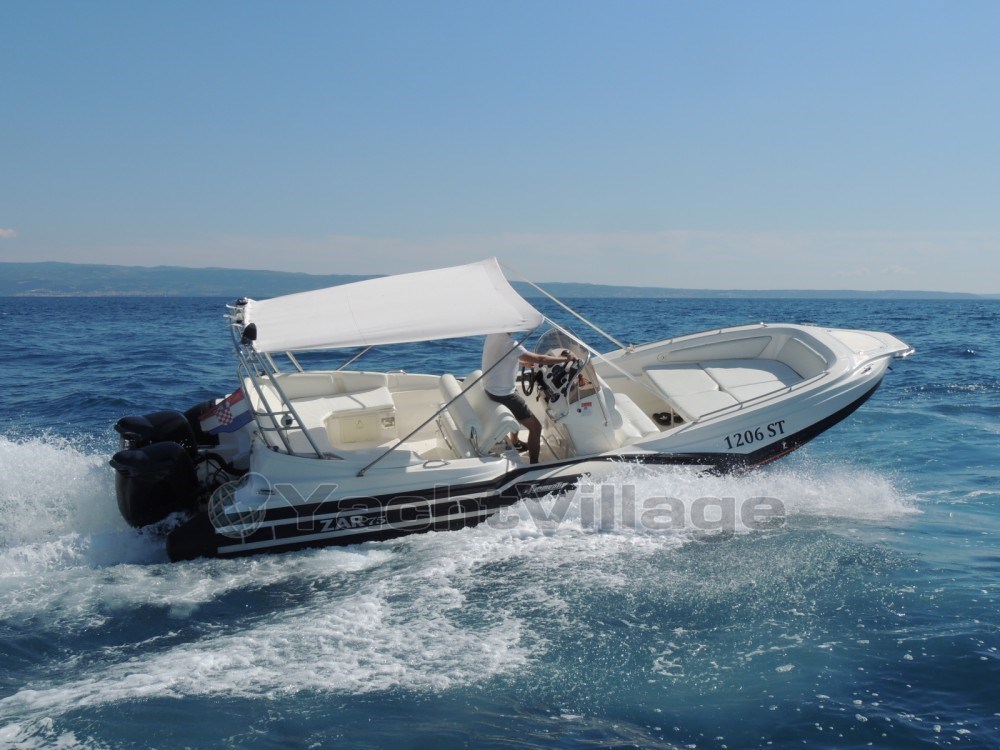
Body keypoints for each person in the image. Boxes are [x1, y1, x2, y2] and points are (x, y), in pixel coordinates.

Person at [481, 332, 575, 464]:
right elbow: (541, 359)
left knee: (519, 412)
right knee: (536, 428)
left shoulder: (493, 335)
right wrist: (566, 359)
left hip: (493, 389)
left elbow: (501, 357)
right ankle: (534, 464)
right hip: (504, 394)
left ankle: (515, 442)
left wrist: (523, 363)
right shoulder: (510, 344)